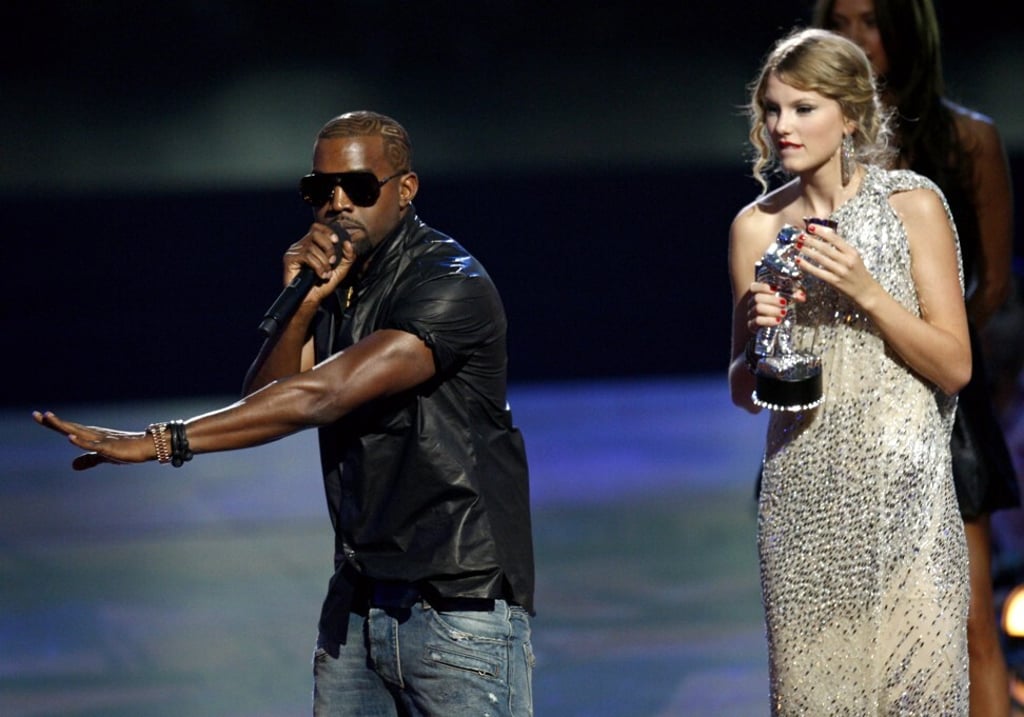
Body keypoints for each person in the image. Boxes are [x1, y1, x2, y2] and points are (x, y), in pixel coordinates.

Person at [33, 110, 536, 717]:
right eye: (320, 189)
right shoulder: (337, 283)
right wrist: (301, 303)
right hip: (357, 602)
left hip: (455, 607)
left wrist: (161, 441)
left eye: (359, 187)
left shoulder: (451, 283)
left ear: (406, 190)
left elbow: (323, 396)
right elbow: (269, 395)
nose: (337, 203)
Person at [728, 28, 972, 712]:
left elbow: (954, 366)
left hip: (908, 500)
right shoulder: (755, 227)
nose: (783, 126)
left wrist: (867, 291)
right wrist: (757, 334)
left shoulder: (911, 205)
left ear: (852, 114)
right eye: (773, 109)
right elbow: (744, 391)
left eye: (803, 108)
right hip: (803, 501)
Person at [812, 2, 1020, 713]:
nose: (855, 38)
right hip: (841, 403)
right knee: (850, 623)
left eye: (871, 20)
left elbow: (991, 282)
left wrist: (928, 352)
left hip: (942, 404)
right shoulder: (818, 140)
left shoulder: (967, 139)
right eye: (839, 20)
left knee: (968, 622)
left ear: (907, 28)